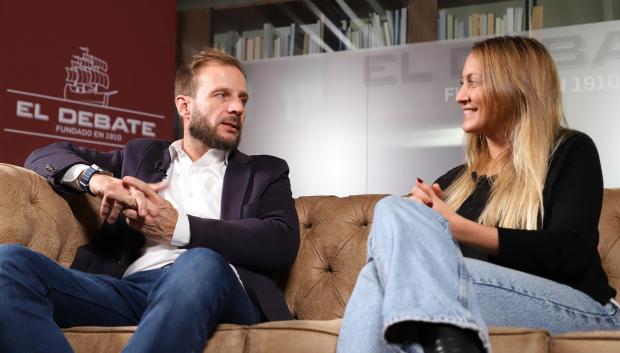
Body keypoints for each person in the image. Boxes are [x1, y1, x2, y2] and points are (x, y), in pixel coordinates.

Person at [0, 48, 299, 353]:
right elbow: (45, 156)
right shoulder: (141, 155)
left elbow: (281, 241)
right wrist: (98, 181)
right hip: (132, 289)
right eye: (222, 95)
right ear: (185, 106)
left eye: (242, 99)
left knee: (201, 262)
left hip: (220, 289)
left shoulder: (265, 171)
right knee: (8, 264)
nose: (237, 107)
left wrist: (179, 227)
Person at [336, 36, 620, 353]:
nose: (460, 96)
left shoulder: (570, 150)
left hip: (581, 308)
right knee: (391, 218)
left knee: (401, 274)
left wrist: (452, 225)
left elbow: (572, 252)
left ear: (515, 86)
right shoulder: (457, 181)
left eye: (473, 83)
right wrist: (416, 217)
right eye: (460, 84)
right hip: (484, 298)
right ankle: (455, 342)